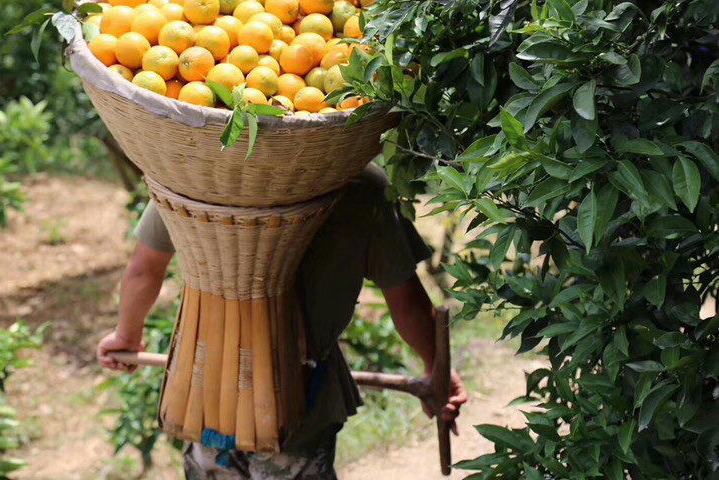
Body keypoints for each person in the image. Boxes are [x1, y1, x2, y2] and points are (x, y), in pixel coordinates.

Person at [97, 164, 468, 479]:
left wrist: (126, 336)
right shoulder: (357, 181)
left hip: (205, 392)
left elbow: (144, 270)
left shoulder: (191, 170)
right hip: (299, 405)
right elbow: (408, 305)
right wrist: (437, 367)